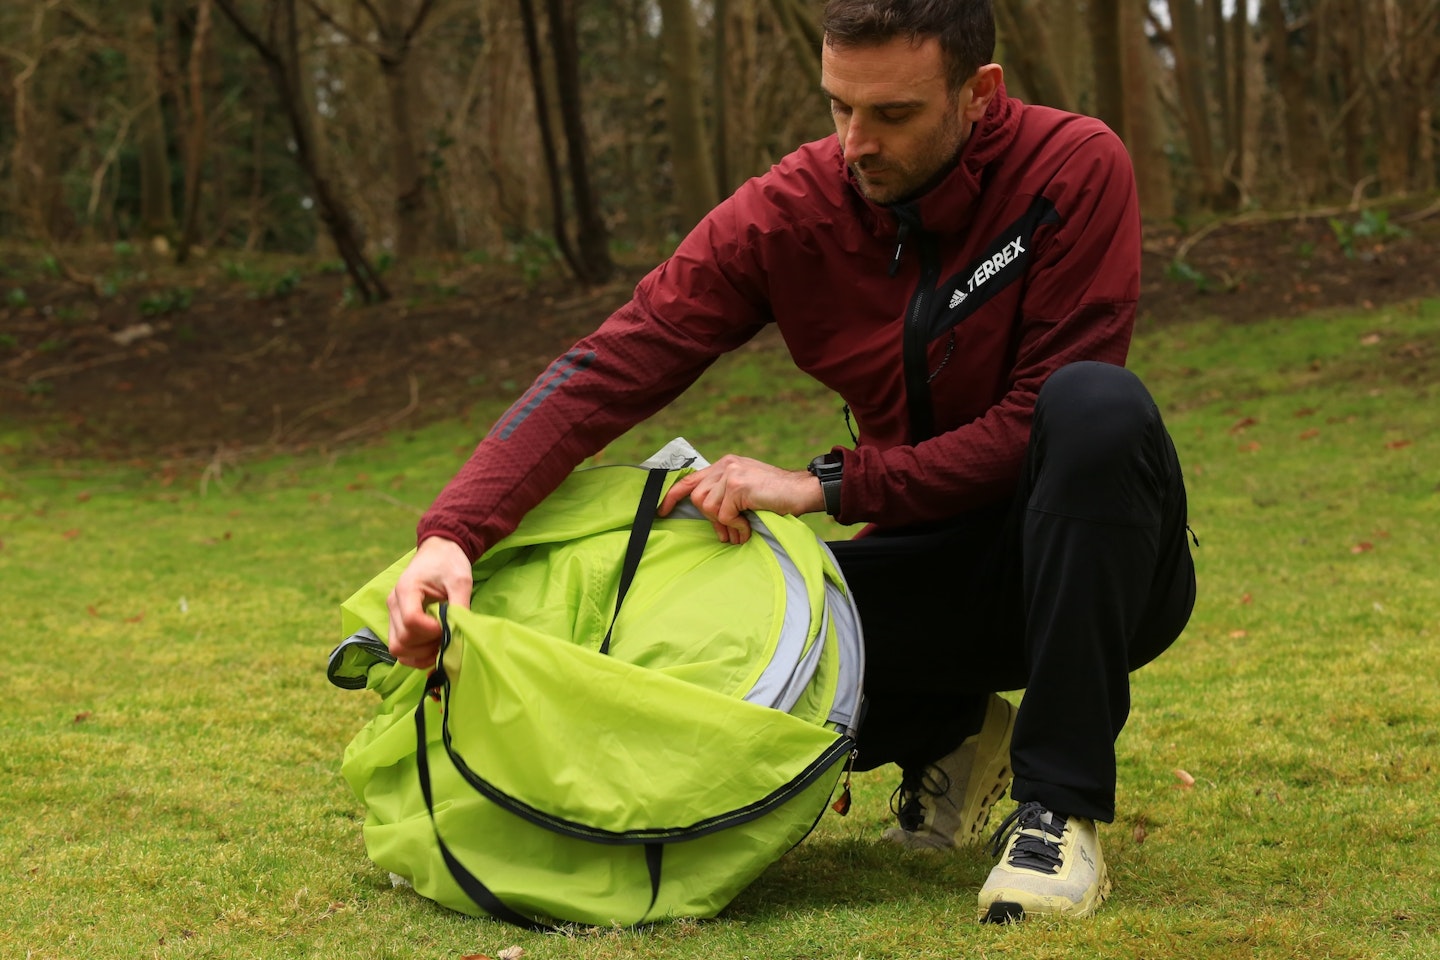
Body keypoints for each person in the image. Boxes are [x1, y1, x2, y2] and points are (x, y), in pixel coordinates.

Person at [386, 0, 1196, 923]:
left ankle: (1060, 811)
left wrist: (829, 483)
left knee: (1096, 406)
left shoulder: (1073, 168)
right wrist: (454, 532)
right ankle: (955, 730)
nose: (857, 142)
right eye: (839, 107)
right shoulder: (788, 214)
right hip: (925, 572)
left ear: (980, 94)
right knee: (708, 609)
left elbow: (1028, 422)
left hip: (1101, 568)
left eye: (893, 114)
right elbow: (610, 363)